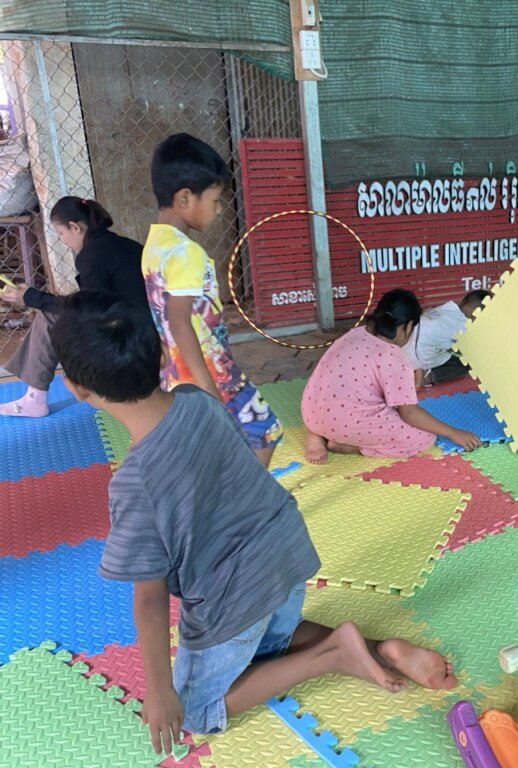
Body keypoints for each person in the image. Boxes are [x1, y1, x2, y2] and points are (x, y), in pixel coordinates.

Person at [50, 292, 458, 755]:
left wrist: (162, 692)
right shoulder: (195, 401)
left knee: (199, 711)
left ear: (75, 387)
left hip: (237, 593)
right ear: (162, 356)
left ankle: (335, 655)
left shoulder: (133, 484)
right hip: (286, 555)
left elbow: (149, 599)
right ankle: (380, 649)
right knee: (269, 640)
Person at [143, 133, 281, 467]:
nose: (219, 210)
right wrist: (209, 390)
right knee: (266, 429)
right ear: (185, 198)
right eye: (216, 200)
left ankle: (231, 496)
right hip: (213, 373)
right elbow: (178, 321)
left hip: (177, 373)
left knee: (212, 447)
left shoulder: (154, 245)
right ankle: (249, 501)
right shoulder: (186, 252)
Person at [0, 196, 145, 417]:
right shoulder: (123, 245)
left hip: (126, 338)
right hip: (144, 329)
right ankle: (34, 397)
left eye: (61, 234)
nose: (63, 240)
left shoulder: (91, 255)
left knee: (50, 316)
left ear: (75, 227)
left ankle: (35, 399)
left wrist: (30, 297)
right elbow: (94, 300)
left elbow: (87, 309)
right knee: (54, 310)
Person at [302, 289, 482, 463]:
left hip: (311, 411)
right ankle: (348, 446)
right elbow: (409, 412)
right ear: (409, 325)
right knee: (423, 438)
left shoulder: (355, 333)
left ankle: (315, 433)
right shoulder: (394, 356)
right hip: (342, 423)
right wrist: (452, 432)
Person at [403, 290, 491, 389]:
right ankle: (428, 376)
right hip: (413, 362)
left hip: (402, 350)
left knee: (445, 348)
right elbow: (470, 353)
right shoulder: (462, 326)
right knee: (463, 364)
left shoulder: (445, 308)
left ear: (463, 302)